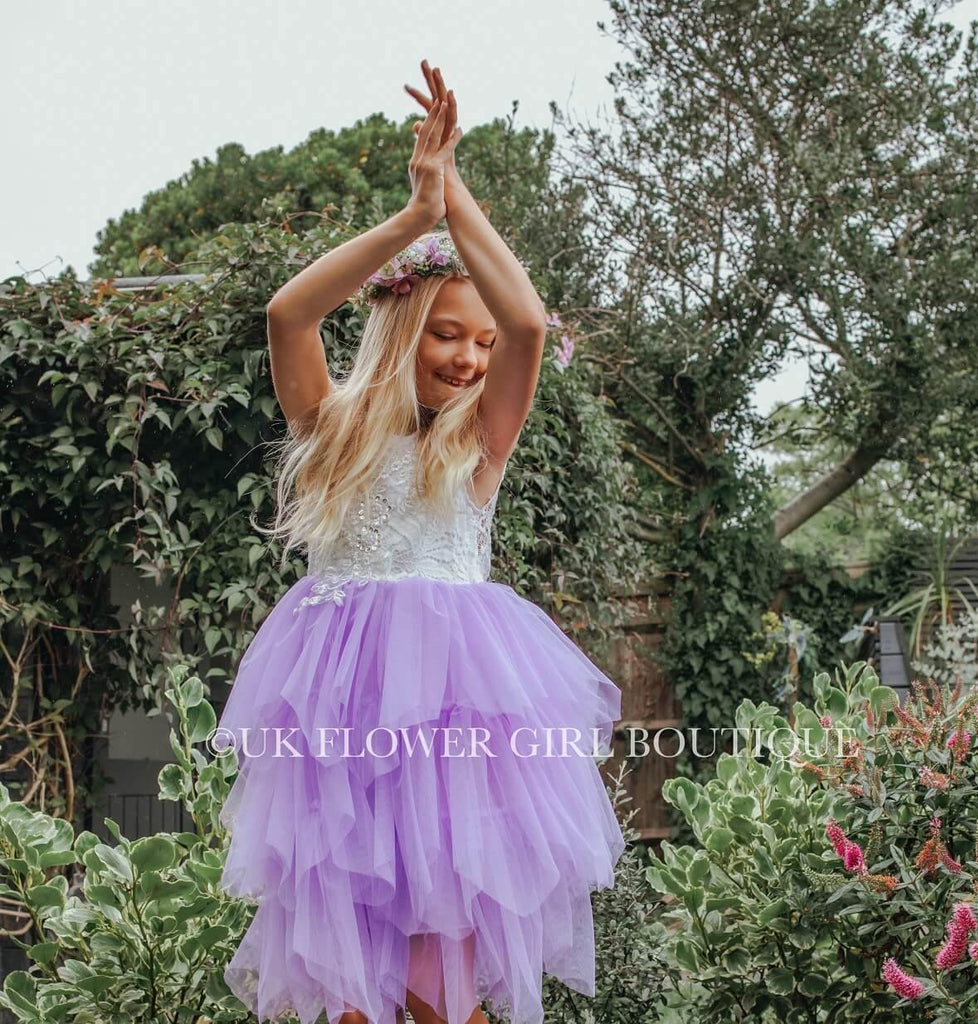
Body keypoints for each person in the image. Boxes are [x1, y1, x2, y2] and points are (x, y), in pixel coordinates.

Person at [215, 60, 626, 1024]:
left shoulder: (479, 449)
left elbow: (525, 318)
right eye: (450, 334)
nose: (473, 357)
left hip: (453, 732)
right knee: (354, 985)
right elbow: (289, 313)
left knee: (447, 982)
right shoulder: (332, 426)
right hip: (340, 728)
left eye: (480, 347)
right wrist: (412, 221)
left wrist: (454, 189)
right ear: (403, 328)